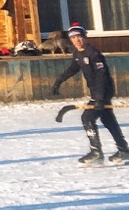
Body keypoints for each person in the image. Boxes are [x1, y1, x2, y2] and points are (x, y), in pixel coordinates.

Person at [51, 23, 128, 165]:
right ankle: (124, 150)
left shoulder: (93, 53)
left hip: (103, 91)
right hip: (96, 92)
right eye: (73, 38)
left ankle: (96, 152)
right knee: (108, 119)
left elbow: (102, 76)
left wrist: (99, 98)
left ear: (84, 37)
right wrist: (59, 81)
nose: (77, 40)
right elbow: (73, 68)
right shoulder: (78, 54)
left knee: (87, 118)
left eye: (79, 37)